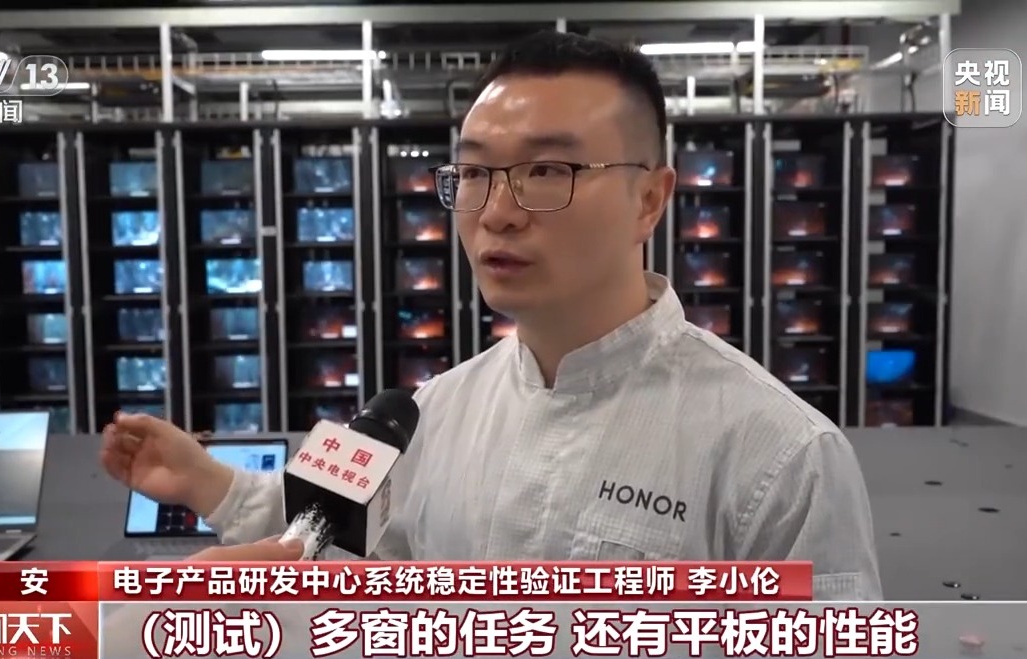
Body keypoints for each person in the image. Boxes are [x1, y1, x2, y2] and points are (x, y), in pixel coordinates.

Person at [101, 31, 882, 600]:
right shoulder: (432, 412)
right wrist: (207, 483)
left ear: (650, 198)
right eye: (474, 173)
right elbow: (336, 545)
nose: (497, 212)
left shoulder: (781, 455)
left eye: (547, 170)